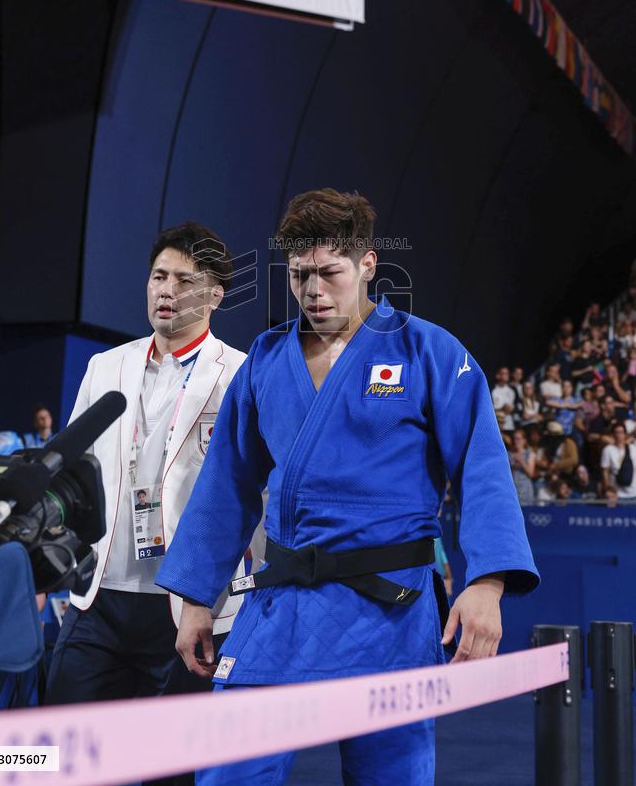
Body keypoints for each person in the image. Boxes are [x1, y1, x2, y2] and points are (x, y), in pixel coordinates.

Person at [157, 189, 539, 786]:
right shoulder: (266, 357)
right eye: (300, 275)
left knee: (391, 777)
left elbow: (482, 470)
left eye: (329, 274)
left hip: (389, 610)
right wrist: (195, 598)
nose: (314, 291)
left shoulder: (429, 351)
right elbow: (226, 483)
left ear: (366, 266)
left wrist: (487, 582)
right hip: (280, 606)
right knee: (230, 771)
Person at [45, 223, 260, 786]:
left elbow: (253, 494)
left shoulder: (240, 375)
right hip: (97, 602)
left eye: (185, 280)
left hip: (188, 609)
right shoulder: (104, 368)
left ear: (215, 295)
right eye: (159, 276)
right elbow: (69, 472)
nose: (166, 290)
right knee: (69, 762)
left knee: (170, 773)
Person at [601, 422, 636, 504]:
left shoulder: (633, 449)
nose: (618, 435)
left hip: (634, 492)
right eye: (616, 432)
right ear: (612, 434)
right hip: (618, 494)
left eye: (621, 432)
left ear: (625, 434)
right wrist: (608, 490)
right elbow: (605, 472)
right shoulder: (608, 450)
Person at [509, 428, 536, 505]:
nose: (515, 441)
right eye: (514, 438)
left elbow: (531, 473)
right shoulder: (509, 454)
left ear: (524, 440)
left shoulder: (530, 454)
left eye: (518, 439)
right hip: (513, 487)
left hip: (525, 489)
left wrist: (521, 461)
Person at [491, 367, 516, 431]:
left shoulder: (512, 391)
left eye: (507, 373)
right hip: (496, 425)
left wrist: (512, 409)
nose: (506, 375)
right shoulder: (492, 390)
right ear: (498, 376)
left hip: (510, 425)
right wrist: (502, 408)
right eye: (504, 373)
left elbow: (515, 408)